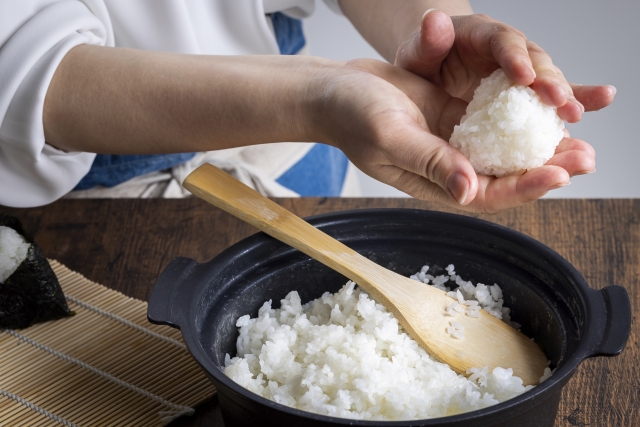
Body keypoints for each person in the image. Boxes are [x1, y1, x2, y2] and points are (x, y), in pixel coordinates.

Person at [0, 0, 614, 212]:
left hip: (298, 152)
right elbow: (29, 68)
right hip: (98, 192)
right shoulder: (323, 98)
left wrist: (442, 34)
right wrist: (317, 95)